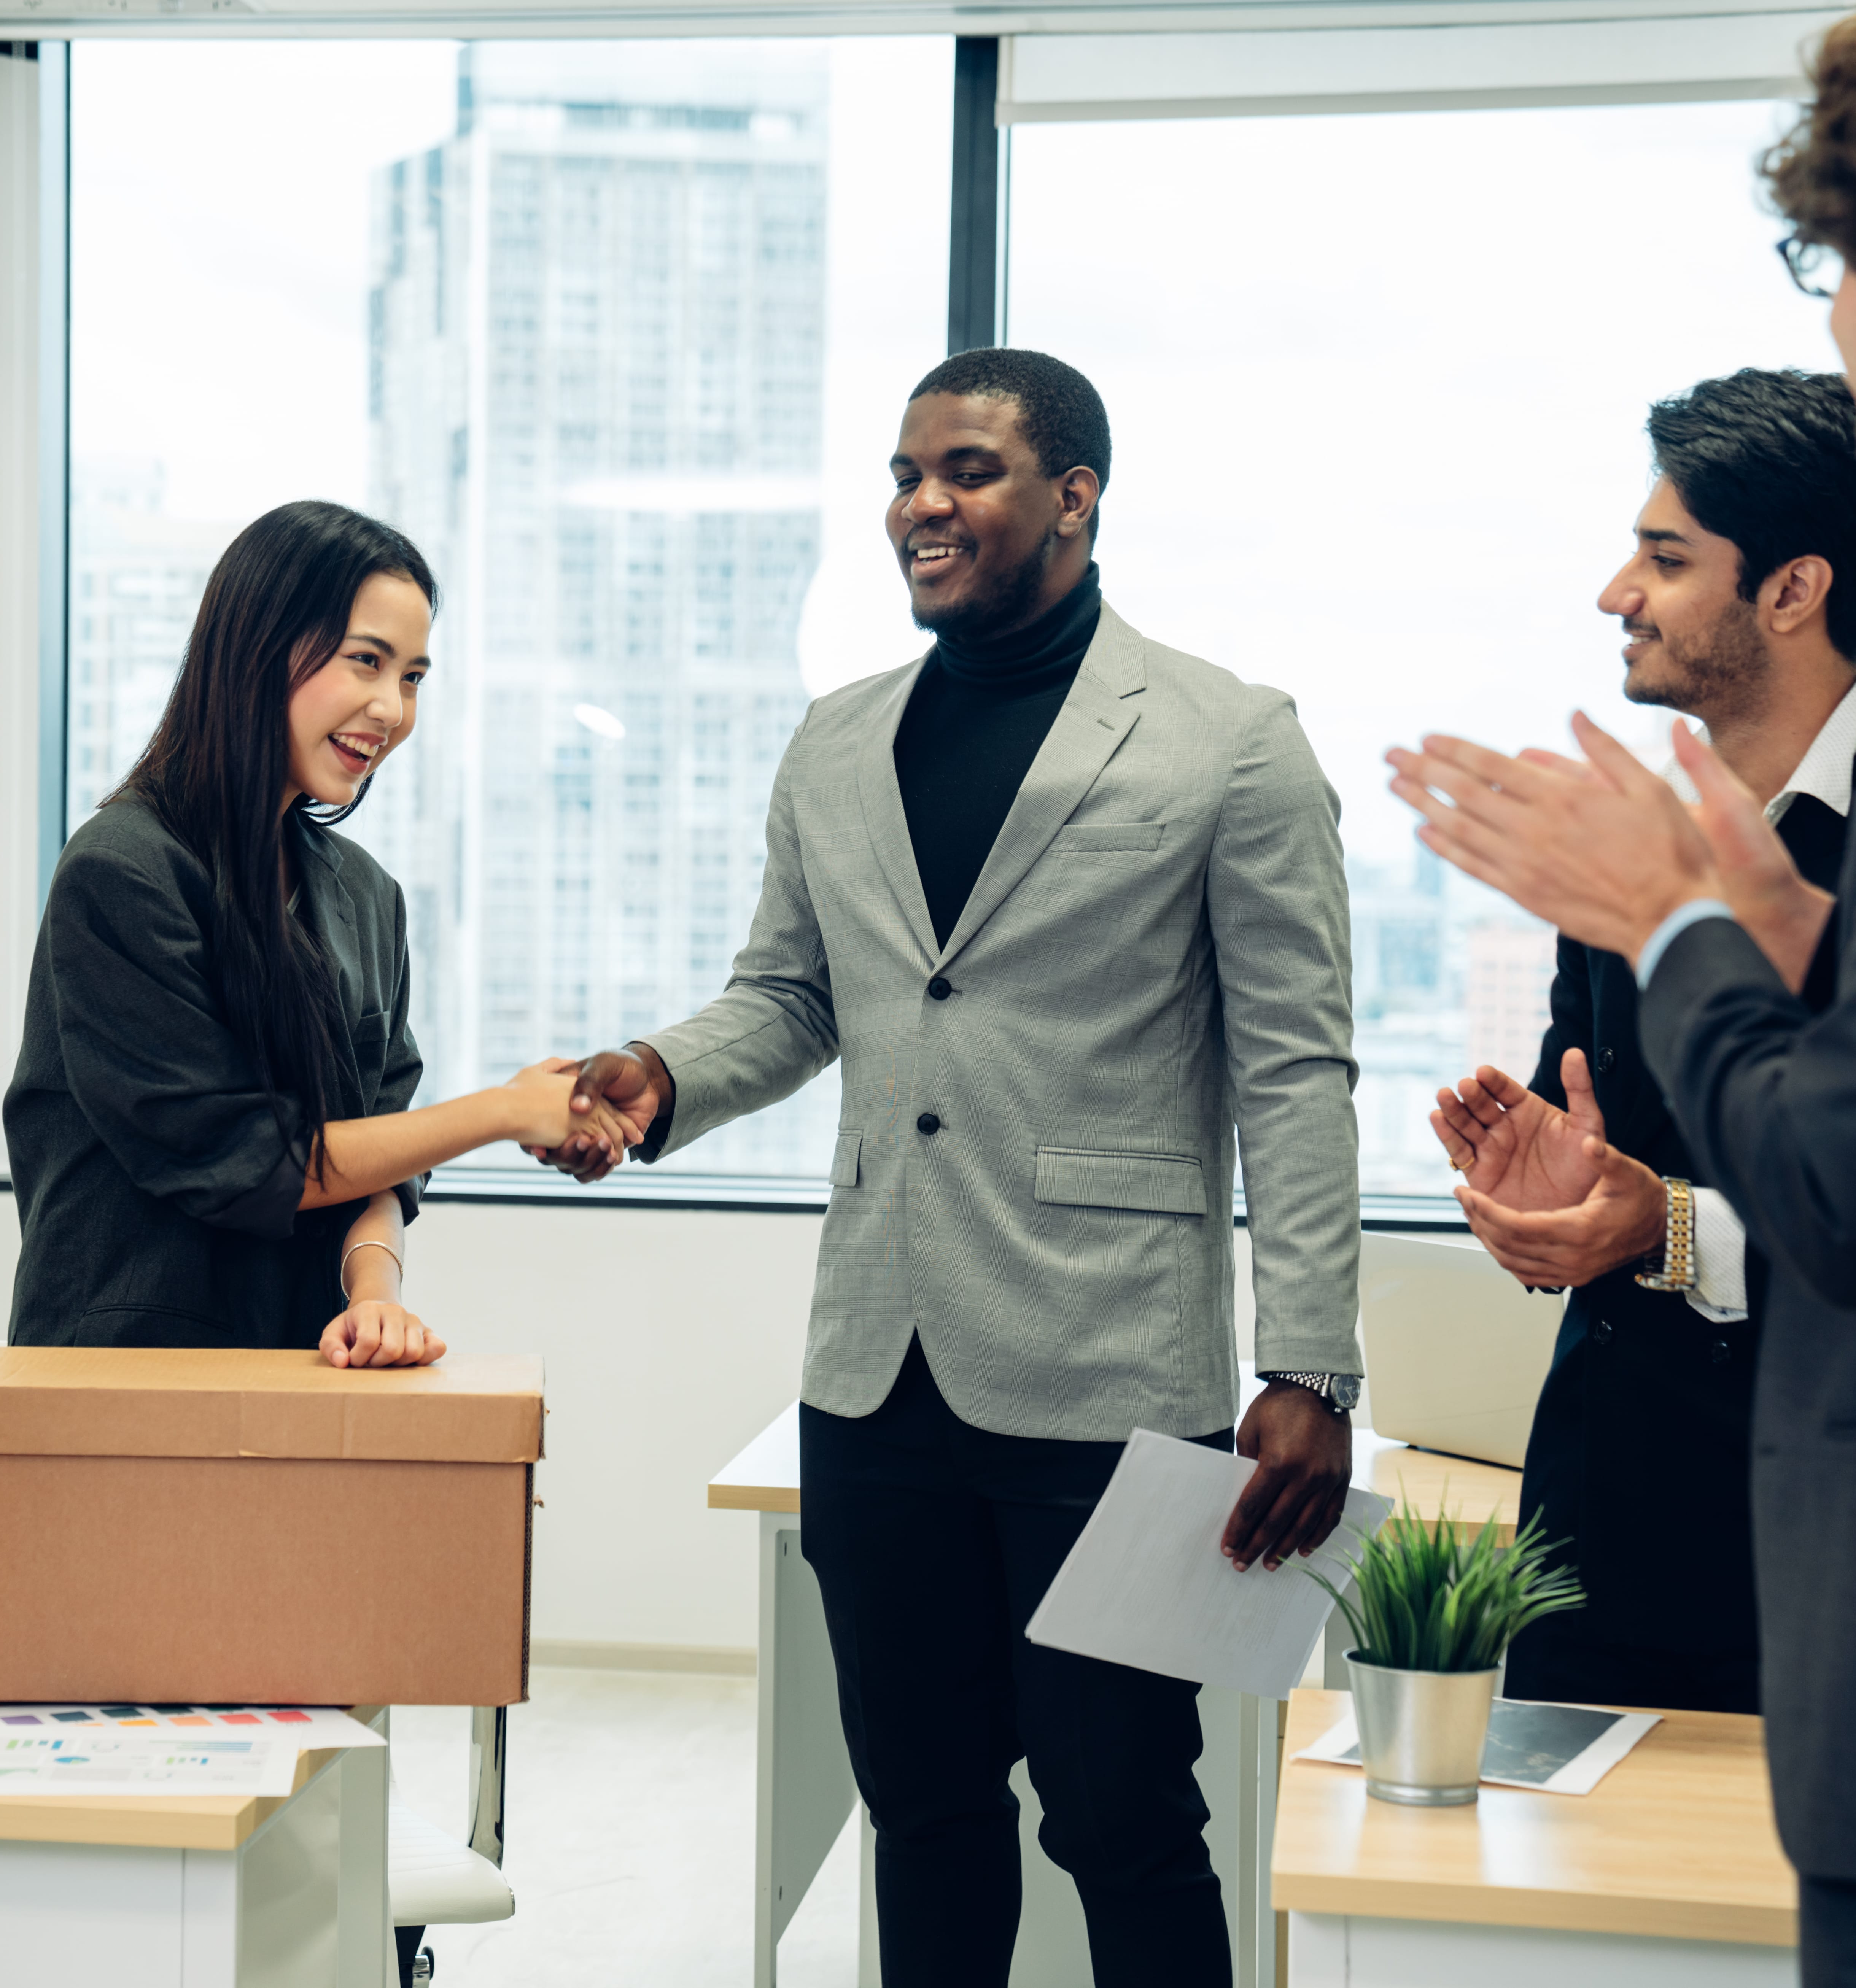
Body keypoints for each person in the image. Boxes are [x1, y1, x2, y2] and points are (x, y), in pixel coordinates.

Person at [1388, 1, 1856, 1972]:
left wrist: (1682, 927)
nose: (1837, 320)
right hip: (1640, 1533)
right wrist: (1761, 944)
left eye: (1828, 263)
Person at [534, 349, 1361, 1985]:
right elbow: (792, 996)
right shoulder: (838, 744)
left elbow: (1295, 1064)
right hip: (873, 1380)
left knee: (1124, 1812)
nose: (923, 502)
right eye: (907, 472)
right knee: (919, 1806)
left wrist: (1313, 1359)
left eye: (968, 469)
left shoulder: (1228, 740)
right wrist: (659, 1072)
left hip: (1115, 1380)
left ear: (1076, 494)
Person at [1431, 369, 1856, 1716]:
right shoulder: (1631, 836)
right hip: (1598, 1542)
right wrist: (1538, 1182)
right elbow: (1592, 1134)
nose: (1615, 593)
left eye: (1661, 556)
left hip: (1841, 1553)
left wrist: (1663, 1225)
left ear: (1790, 589)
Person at [5, 499, 631, 1367]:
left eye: (412, 677)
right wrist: (501, 1110)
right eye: (366, 661)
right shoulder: (123, 871)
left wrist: (374, 1296)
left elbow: (377, 1145)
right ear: (257, 647)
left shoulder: (368, 897)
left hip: (305, 1372)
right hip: (124, 1378)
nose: (391, 709)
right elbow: (245, 1163)